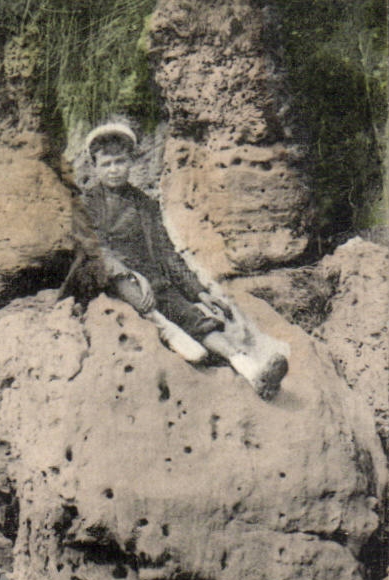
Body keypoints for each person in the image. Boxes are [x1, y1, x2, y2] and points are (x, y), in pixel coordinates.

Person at [80, 122, 288, 398]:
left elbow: (167, 254)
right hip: (112, 278)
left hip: (152, 279)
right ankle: (166, 330)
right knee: (124, 283)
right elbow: (96, 248)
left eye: (120, 161)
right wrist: (129, 275)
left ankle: (252, 371)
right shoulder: (88, 203)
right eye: (106, 164)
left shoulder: (145, 204)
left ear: (130, 162)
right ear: (95, 167)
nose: (114, 169)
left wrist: (199, 292)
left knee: (192, 315)